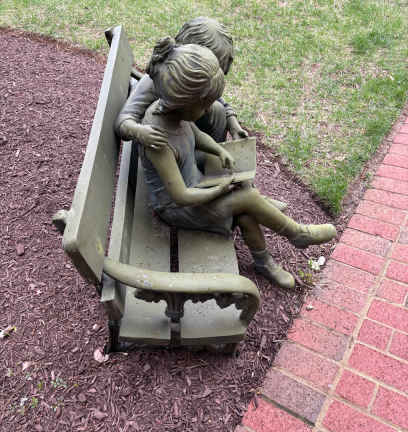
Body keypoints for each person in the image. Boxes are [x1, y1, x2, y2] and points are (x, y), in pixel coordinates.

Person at [119, 37, 336, 290]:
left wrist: (218, 150)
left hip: (194, 184)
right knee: (246, 199)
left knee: (243, 204)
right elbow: (181, 196)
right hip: (178, 209)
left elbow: (197, 136)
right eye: (204, 105)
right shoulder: (159, 141)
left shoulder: (172, 113)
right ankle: (297, 234)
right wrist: (220, 190)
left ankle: (264, 262)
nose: (208, 110)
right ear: (183, 104)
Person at [116, 16, 287, 211]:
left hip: (184, 145)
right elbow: (123, 121)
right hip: (166, 159)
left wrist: (233, 123)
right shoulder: (156, 82)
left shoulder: (188, 85)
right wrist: (140, 132)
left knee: (218, 111)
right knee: (216, 113)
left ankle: (244, 191)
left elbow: (216, 99)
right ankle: (233, 193)